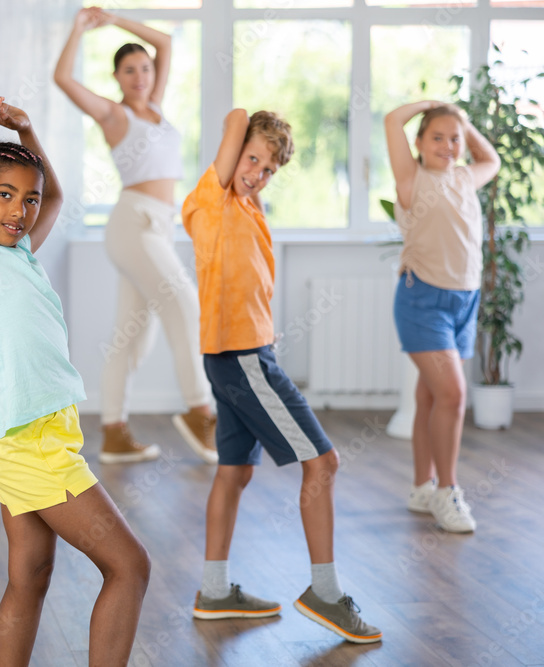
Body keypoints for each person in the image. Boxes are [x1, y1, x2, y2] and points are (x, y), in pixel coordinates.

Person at [0, 88, 151, 666]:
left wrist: (26, 129)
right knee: (129, 565)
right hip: (26, 438)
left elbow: (59, 195)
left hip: (41, 428)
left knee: (31, 575)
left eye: (27, 201)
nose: (18, 212)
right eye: (4, 196)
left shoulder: (21, 252)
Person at [182, 109, 382, 643]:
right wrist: (249, 135)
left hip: (241, 357)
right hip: (243, 360)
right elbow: (235, 117)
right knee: (324, 463)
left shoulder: (248, 206)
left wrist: (262, 164)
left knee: (234, 472)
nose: (257, 173)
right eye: (251, 159)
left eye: (269, 168)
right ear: (231, 154)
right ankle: (325, 592)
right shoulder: (210, 196)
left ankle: (214, 590)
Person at [54, 6, 217, 465]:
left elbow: (164, 42)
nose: (141, 75)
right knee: (184, 303)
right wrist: (81, 27)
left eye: (145, 68)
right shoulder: (115, 116)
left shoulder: (157, 110)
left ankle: (113, 432)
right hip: (133, 225)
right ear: (117, 78)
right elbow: (63, 79)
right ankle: (200, 411)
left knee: (131, 337)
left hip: (158, 229)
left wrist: (116, 16)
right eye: (130, 70)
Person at [385, 101, 500, 533]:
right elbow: (391, 120)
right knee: (452, 394)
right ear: (418, 142)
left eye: (455, 139)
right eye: (437, 137)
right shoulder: (412, 181)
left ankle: (421, 486)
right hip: (423, 301)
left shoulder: (466, 177)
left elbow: (493, 159)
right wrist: (432, 107)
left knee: (430, 398)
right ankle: (447, 491)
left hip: (464, 303)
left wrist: (461, 126)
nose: (449, 146)